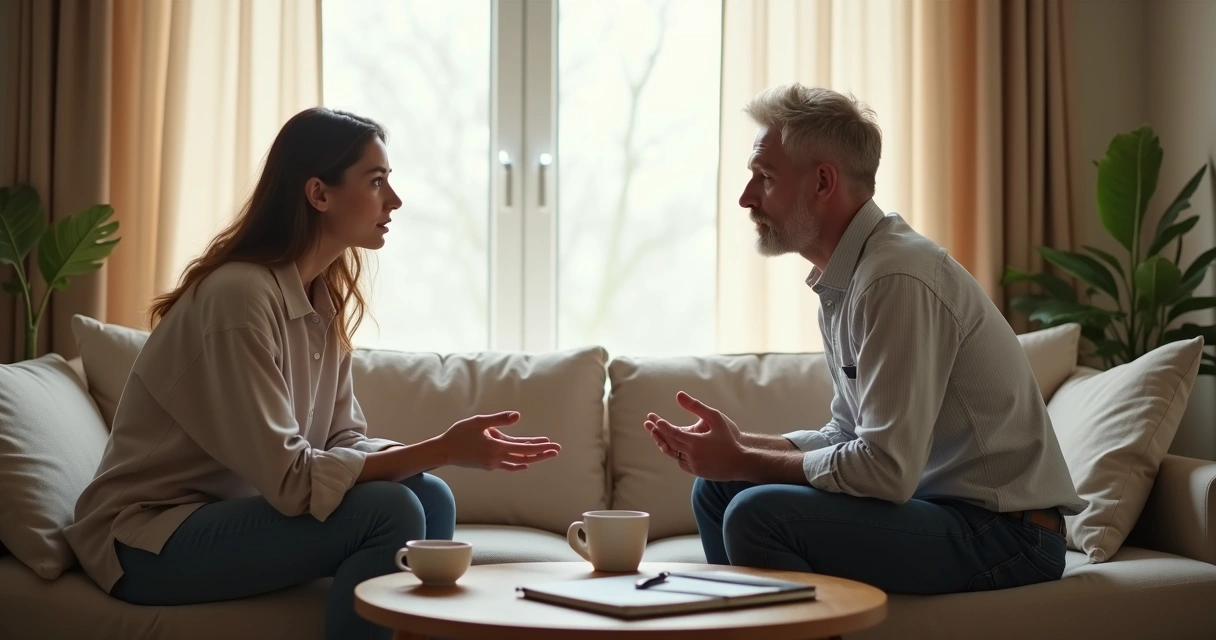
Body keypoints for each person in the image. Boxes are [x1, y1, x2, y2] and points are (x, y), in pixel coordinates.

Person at [64, 107, 562, 639]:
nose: (393, 201)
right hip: (148, 539)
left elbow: (341, 438)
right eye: (376, 182)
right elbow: (292, 480)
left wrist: (432, 455)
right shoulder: (239, 297)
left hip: (227, 517)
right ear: (319, 194)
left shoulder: (319, 297)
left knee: (430, 494)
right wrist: (441, 447)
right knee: (390, 510)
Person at [643, 84, 1085, 595]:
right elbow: (849, 433)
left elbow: (885, 471)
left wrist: (745, 458)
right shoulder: (848, 279)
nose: (746, 198)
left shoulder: (894, 278)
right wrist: (737, 447)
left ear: (823, 182)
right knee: (717, 490)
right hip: (939, 511)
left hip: (1006, 532)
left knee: (756, 514)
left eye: (764, 177)